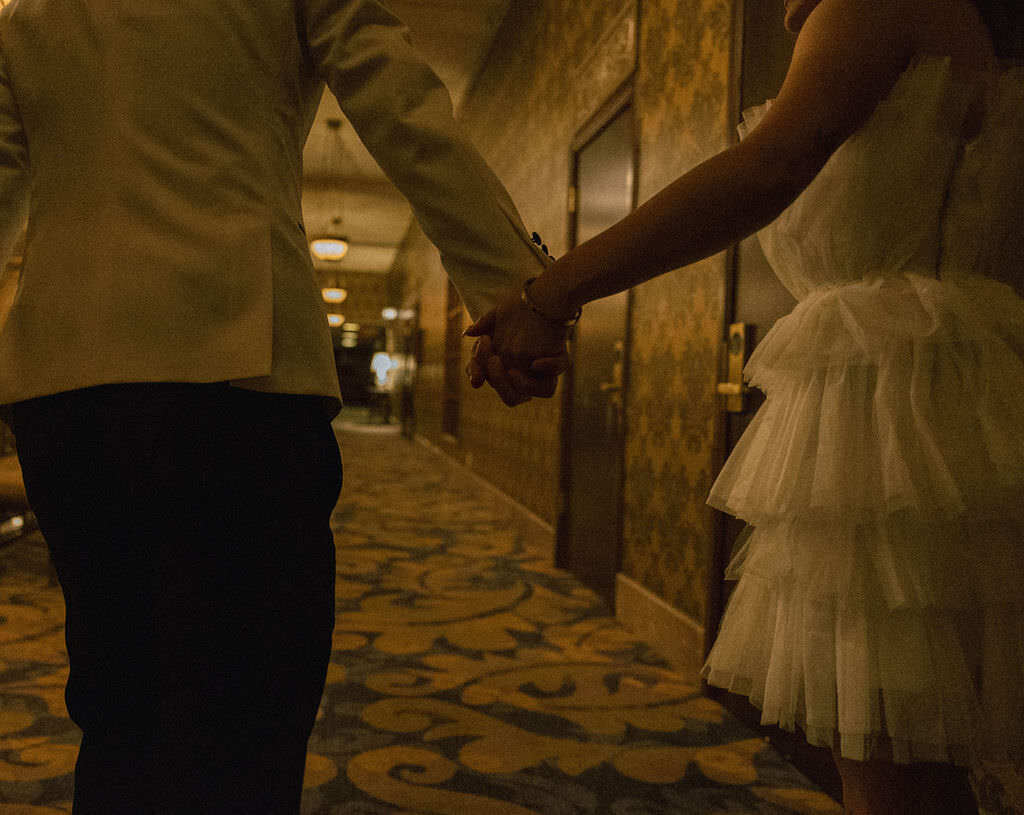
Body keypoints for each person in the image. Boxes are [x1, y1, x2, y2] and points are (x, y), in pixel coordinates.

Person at [0, 0, 564, 812]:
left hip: (68, 392)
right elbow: (400, 105)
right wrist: (516, 286)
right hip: (236, 380)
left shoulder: (24, 16)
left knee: (118, 703)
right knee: (245, 718)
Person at [468, 0, 1024, 812]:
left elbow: (766, 169)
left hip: (894, 411)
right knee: (925, 754)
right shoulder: (965, 27)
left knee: (893, 760)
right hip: (964, 400)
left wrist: (549, 294)